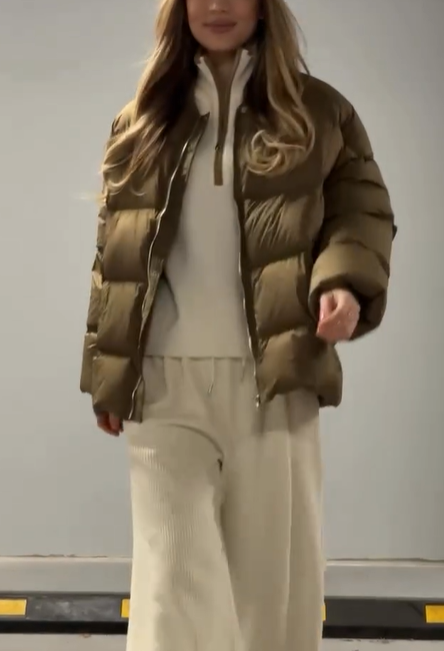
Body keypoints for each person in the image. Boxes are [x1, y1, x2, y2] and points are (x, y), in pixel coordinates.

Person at [80, 0, 396, 650]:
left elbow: (360, 213)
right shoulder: (141, 120)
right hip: (164, 387)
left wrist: (341, 283)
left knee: (270, 594)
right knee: (172, 585)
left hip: (273, 382)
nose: (218, 6)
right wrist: (108, 376)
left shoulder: (319, 112)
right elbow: (114, 258)